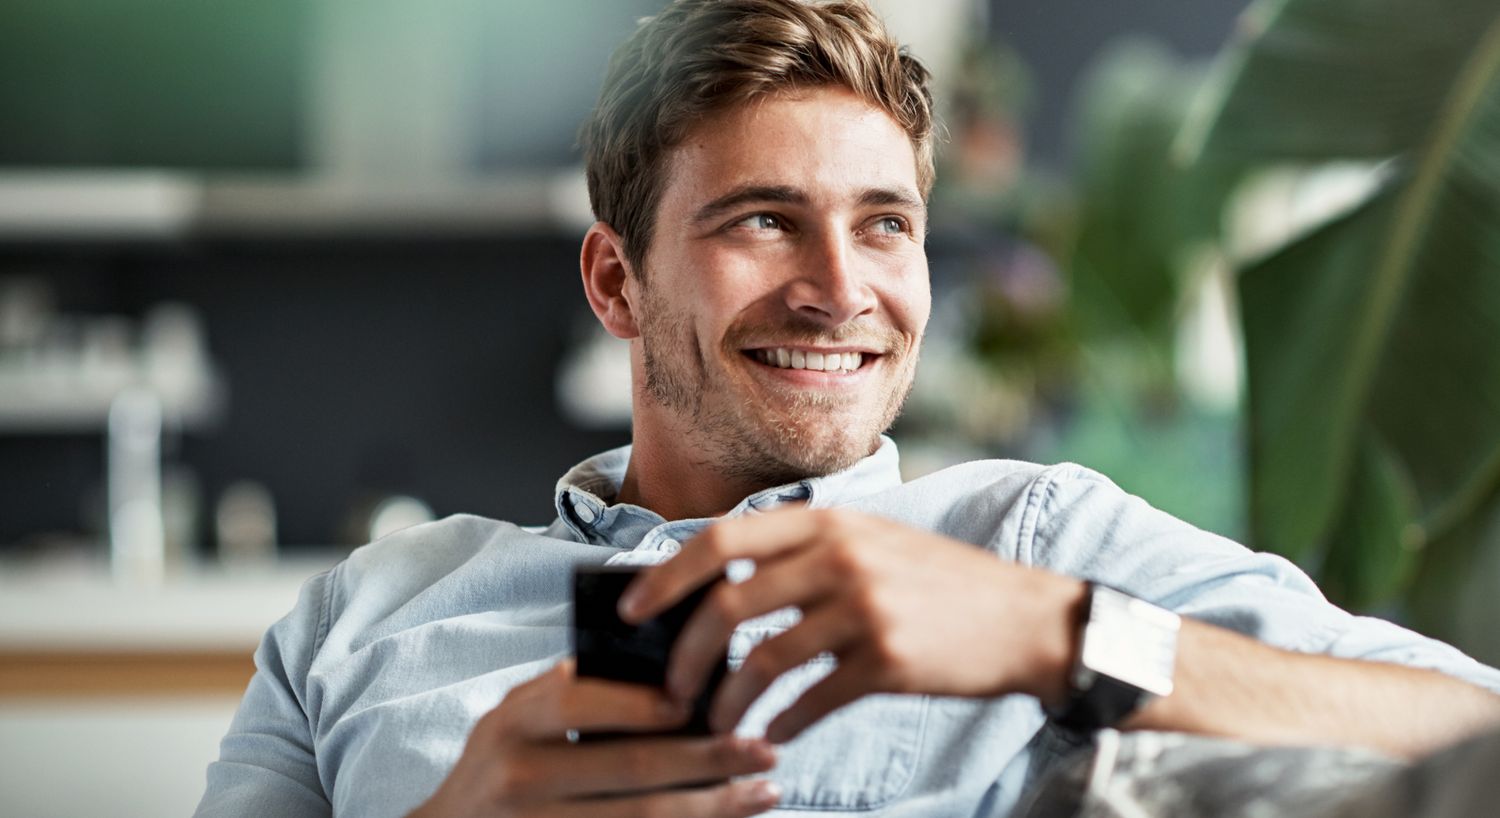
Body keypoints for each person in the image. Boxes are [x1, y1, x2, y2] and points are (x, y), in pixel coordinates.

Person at [194, 1, 1500, 816]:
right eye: (763, 220)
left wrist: (1060, 632)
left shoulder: (1030, 541)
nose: (840, 291)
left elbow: (1471, 730)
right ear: (616, 280)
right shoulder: (355, 619)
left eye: (886, 225)